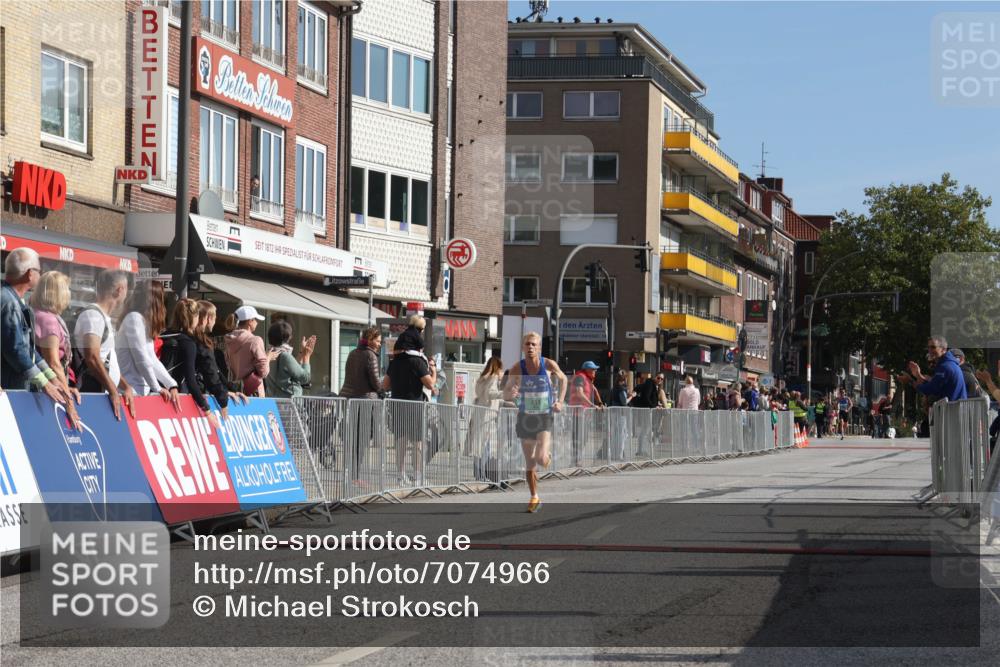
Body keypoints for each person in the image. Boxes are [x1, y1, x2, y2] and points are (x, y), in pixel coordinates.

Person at [2, 250, 78, 426]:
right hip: (10, 391)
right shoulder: (9, 302)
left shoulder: (15, 301)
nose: (40, 274)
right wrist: (45, 382)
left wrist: (51, 378)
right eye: (38, 270)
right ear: (30, 274)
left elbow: (29, 350)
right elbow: (16, 350)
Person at [503, 332, 567, 513]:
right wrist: (512, 393)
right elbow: (506, 393)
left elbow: (564, 379)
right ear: (523, 348)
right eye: (527, 345)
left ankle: (545, 456)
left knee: (540, 458)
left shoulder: (548, 365)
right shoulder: (517, 368)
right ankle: (534, 497)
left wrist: (560, 401)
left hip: (544, 416)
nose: (530, 347)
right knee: (530, 461)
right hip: (525, 417)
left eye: (534, 344)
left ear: (539, 348)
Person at [73, 269, 135, 421]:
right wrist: (113, 389)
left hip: (102, 392)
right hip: (93, 394)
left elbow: (106, 359)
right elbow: (92, 358)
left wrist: (124, 385)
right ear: (120, 290)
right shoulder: (94, 316)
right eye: (127, 289)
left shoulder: (103, 317)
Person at [385, 325, 437, 485]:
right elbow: (430, 385)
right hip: (414, 405)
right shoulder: (417, 362)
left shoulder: (394, 362)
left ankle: (400, 475)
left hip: (396, 405)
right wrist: (433, 370)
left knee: (400, 440)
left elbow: (385, 385)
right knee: (417, 442)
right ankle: (418, 476)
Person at [116, 279, 180, 407]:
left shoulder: (141, 321)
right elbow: (141, 357)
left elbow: (151, 359)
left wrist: (171, 384)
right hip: (128, 390)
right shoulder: (134, 318)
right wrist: (157, 387)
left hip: (138, 390)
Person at [29, 270, 77, 394]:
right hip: (46, 391)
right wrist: (67, 398)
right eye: (67, 289)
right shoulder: (48, 320)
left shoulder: (37, 313)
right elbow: (53, 363)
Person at [224, 305, 277, 397]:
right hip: (253, 391)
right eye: (255, 319)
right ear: (250, 321)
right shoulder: (255, 340)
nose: (257, 322)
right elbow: (263, 372)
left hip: (235, 390)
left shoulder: (229, 340)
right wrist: (268, 357)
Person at [906, 336, 967, 404]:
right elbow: (935, 385)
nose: (929, 350)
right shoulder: (948, 364)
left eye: (933, 347)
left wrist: (910, 381)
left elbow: (932, 389)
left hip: (951, 411)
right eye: (928, 347)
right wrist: (917, 375)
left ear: (943, 349)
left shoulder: (945, 367)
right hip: (954, 410)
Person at [265, 320, 316, 398]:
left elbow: (291, 368)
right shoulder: (284, 355)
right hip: (289, 403)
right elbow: (305, 378)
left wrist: (302, 352)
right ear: (288, 337)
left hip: (273, 400)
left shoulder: (270, 352)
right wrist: (306, 355)